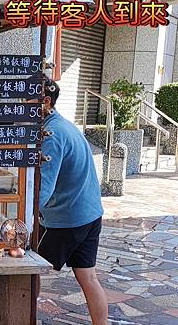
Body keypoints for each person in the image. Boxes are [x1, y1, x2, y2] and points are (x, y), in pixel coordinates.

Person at [35, 79, 108, 325]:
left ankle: (22, 316)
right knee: (88, 277)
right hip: (90, 213)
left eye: (26, 102)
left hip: (66, 219)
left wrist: (20, 214)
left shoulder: (51, 135)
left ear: (45, 102)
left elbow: (43, 189)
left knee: (28, 271)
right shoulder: (64, 126)